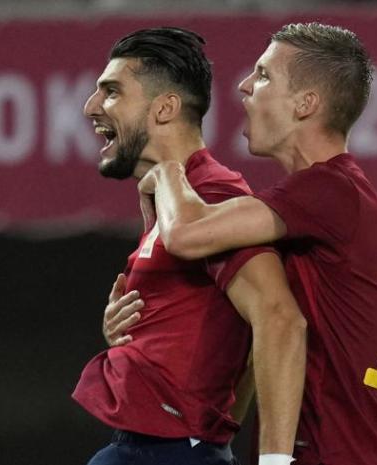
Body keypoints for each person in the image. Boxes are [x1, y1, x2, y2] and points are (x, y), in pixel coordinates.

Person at [133, 23, 377, 465]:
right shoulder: (327, 200)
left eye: (263, 75)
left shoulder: (330, 190)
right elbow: (252, 323)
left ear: (306, 104)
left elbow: (186, 232)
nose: (244, 85)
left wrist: (167, 170)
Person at [71, 27, 307, 465]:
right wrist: (131, 341)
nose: (90, 107)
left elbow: (278, 320)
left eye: (112, 91)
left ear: (164, 108)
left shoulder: (213, 196)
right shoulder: (174, 201)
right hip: (153, 448)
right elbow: (241, 334)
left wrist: (269, 460)